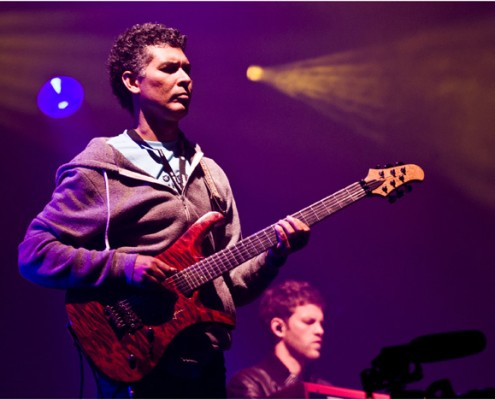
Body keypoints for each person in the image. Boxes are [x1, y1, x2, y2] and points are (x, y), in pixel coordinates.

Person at [18, 22, 310, 399]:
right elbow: (34, 254)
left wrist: (274, 256)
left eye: (187, 69)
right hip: (135, 355)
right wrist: (126, 267)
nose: (185, 78)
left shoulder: (211, 175)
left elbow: (231, 287)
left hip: (205, 359)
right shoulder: (99, 169)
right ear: (132, 81)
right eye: (169, 68)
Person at [227, 279, 328, 398]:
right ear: (279, 328)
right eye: (308, 322)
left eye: (321, 323)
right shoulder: (249, 383)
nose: (320, 331)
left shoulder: (321, 387)